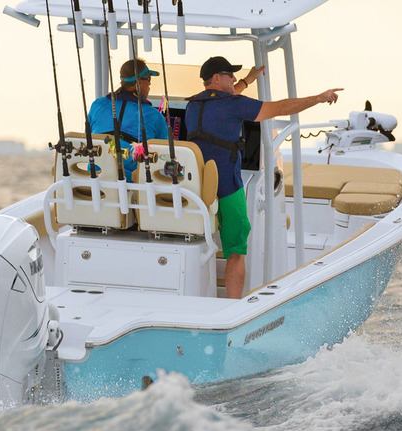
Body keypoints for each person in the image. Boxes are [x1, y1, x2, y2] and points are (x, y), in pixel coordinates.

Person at [186, 56, 342, 300]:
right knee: (236, 252)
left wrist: (248, 80)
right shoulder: (233, 105)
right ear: (217, 78)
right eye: (230, 74)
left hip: (197, 189)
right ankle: (234, 305)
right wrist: (318, 98)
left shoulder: (194, 105)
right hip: (227, 187)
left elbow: (229, 96)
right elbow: (280, 107)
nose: (234, 79)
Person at [89, 58, 169, 182]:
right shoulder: (154, 116)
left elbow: (88, 138)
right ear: (139, 83)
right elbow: (164, 154)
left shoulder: (97, 105)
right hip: (131, 183)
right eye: (148, 80)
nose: (149, 85)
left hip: (95, 177)